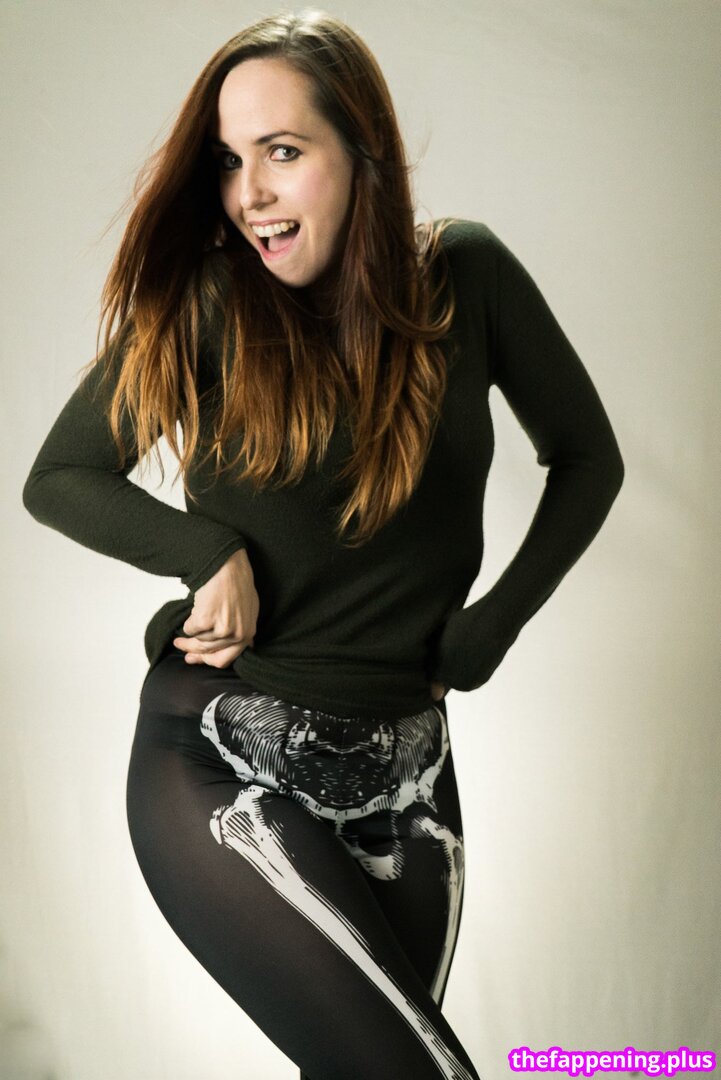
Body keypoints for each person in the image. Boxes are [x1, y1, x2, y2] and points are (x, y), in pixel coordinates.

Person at [22, 9, 624, 1080]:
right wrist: (206, 552)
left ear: (362, 150)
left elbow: (587, 459)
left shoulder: (467, 276)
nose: (250, 192)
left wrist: (491, 626)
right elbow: (59, 477)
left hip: (411, 778)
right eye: (228, 161)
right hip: (220, 759)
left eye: (283, 151)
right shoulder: (211, 302)